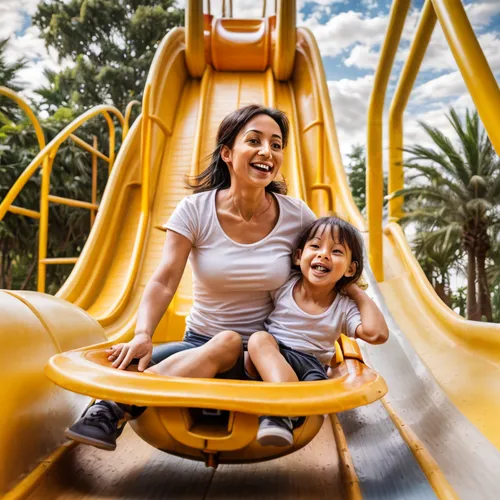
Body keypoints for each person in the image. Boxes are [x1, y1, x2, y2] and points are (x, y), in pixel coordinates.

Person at [65, 104, 317, 451]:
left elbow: (326, 268)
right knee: (162, 354)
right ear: (228, 153)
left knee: (234, 342)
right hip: (200, 346)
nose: (267, 152)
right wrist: (143, 334)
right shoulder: (195, 210)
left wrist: (341, 323)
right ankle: (109, 407)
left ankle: (116, 404)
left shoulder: (297, 215)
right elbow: (165, 278)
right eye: (254, 141)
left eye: (276, 144)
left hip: (266, 354)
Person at [246, 216, 389, 447]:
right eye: (315, 246)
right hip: (272, 357)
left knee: (259, 342)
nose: (323, 254)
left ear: (350, 269)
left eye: (337, 251)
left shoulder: (343, 306)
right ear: (298, 256)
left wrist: (356, 291)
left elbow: (377, 334)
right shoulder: (284, 285)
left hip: (309, 370)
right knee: (257, 342)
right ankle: (287, 408)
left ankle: (279, 412)